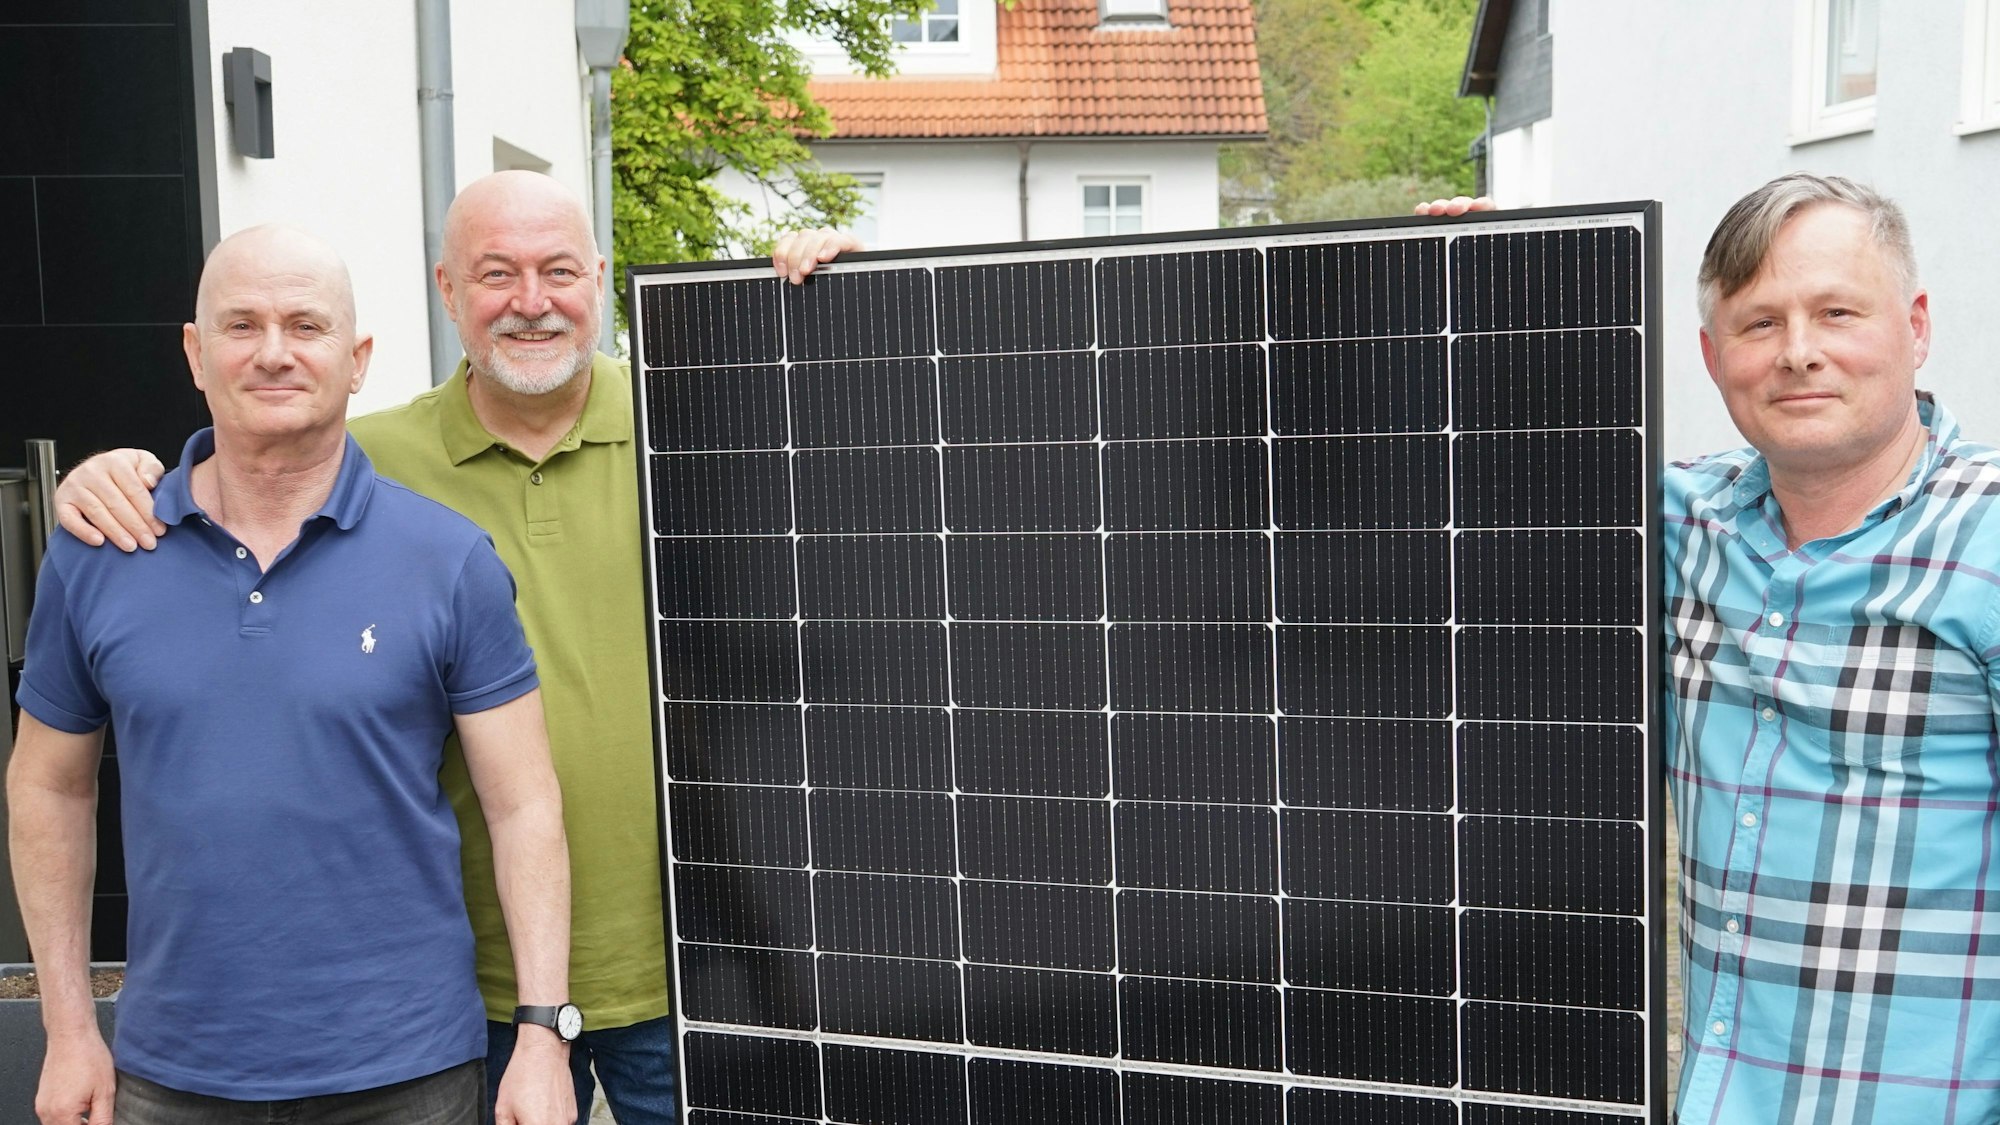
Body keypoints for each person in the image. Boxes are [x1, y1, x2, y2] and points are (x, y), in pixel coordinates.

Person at [53, 173, 858, 1124]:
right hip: (466, 988)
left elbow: (878, 502)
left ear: (599, 278)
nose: (530, 301)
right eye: (494, 273)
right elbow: (250, 461)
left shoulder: (695, 434)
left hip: (690, 959)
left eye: (559, 270)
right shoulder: (378, 459)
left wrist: (836, 309)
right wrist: (111, 474)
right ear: (446, 291)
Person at [1425, 175, 2000, 1122]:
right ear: (1710, 353)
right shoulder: (1671, 525)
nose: (1800, 354)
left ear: (1918, 325)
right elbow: (1485, 487)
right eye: (1760, 323)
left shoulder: (1983, 543)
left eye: (1837, 312)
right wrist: (1467, 284)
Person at [8, 225, 575, 1125]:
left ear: (356, 361)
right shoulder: (101, 552)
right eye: (242, 325)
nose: (274, 353)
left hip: (409, 1074)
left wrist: (543, 1033)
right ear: (196, 353)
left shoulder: (448, 559)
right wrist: (69, 1025)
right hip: (171, 1076)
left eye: (305, 326)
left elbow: (525, 804)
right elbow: (47, 788)